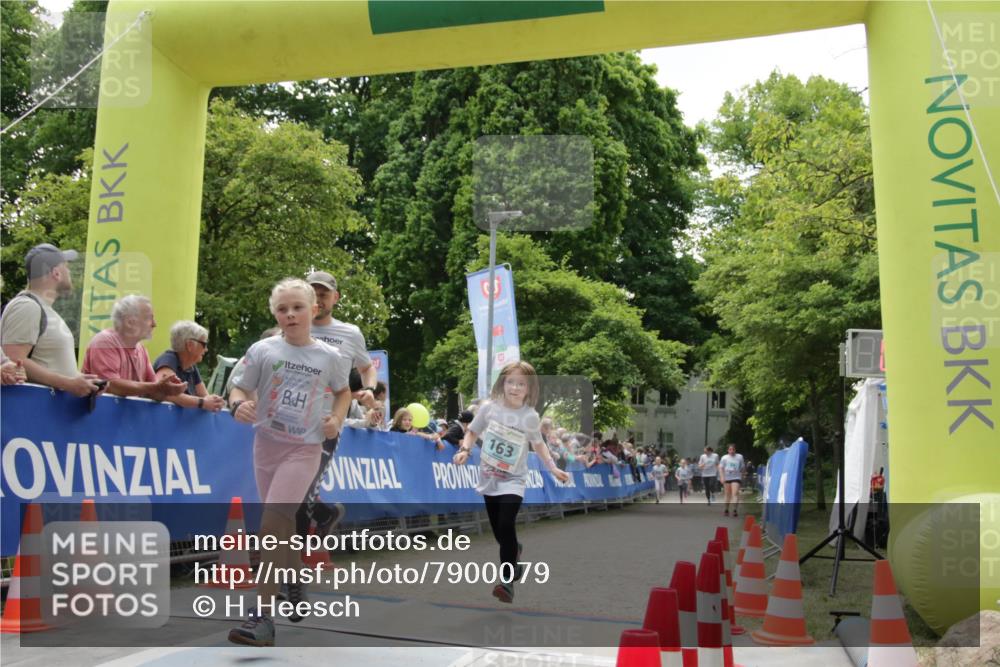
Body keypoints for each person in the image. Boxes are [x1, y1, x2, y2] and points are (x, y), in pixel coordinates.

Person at [226, 278, 352, 646]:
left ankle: (261, 618)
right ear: (274, 314)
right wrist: (239, 404)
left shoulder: (329, 357)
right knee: (280, 530)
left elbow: (343, 392)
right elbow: (238, 387)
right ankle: (293, 578)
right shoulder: (263, 350)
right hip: (266, 446)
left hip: (303, 450)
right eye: (282, 309)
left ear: (313, 310)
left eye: (298, 307)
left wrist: (338, 419)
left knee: (273, 523)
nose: (290, 314)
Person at [453, 361, 569, 603]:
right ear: (502, 383)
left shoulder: (529, 416)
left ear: (529, 389)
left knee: (506, 523)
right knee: (500, 532)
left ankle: (506, 582)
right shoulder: (489, 409)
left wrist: (553, 468)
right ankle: (514, 554)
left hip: (514, 479)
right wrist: (465, 449)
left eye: (521, 384)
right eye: (510, 382)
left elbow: (538, 445)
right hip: (489, 477)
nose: (515, 387)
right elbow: (472, 431)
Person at [1, 243, 104, 397]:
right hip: (32, 414)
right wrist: (68, 383)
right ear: (56, 273)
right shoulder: (27, 306)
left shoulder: (41, 308)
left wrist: (77, 379)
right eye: (67, 267)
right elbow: (14, 361)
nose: (70, 272)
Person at [82, 295, 186, 401]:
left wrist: (167, 389)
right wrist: (157, 387)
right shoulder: (104, 342)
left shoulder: (141, 350)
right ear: (130, 322)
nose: (154, 324)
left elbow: (154, 392)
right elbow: (111, 385)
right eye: (149, 318)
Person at [153, 320, 225, 411]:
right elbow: (162, 390)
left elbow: (205, 396)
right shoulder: (169, 359)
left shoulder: (191, 366)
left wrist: (215, 402)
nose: (206, 349)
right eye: (204, 344)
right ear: (190, 345)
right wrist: (202, 402)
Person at [718, 444, 746, 517]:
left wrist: (742, 476)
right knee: (727, 494)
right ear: (728, 450)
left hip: (736, 477)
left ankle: (735, 510)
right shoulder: (724, 458)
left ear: (735, 450)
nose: (732, 451)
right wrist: (722, 477)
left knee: (735, 493)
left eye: (733, 449)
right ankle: (726, 509)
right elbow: (721, 468)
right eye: (730, 449)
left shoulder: (739, 457)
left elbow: (743, 467)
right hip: (727, 477)